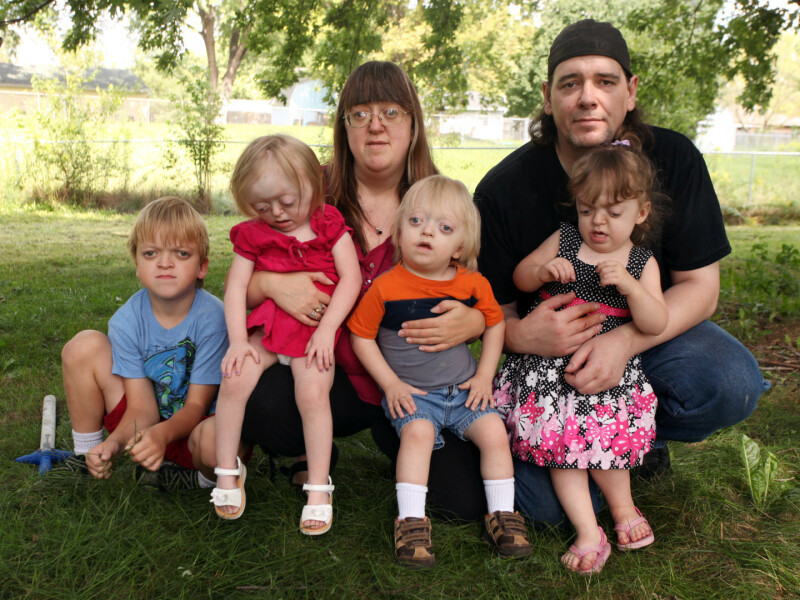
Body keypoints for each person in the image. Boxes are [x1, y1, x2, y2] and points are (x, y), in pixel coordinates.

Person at [474, 19, 768, 525]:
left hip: (649, 337)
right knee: (549, 513)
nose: (588, 98)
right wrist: (524, 335)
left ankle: (632, 437)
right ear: (548, 97)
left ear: (630, 92)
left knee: (730, 380)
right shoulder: (503, 190)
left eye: (605, 81)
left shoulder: (673, 158)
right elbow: (493, 310)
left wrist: (623, 342)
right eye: (570, 83)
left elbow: (701, 288)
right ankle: (603, 457)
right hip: (551, 365)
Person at [238, 61, 488, 522]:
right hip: (326, 370)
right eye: (360, 113)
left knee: (464, 503)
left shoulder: (440, 199)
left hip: (416, 384)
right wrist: (270, 283)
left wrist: (473, 321)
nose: (375, 125)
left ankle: (403, 446)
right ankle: (311, 452)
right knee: (262, 405)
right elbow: (242, 280)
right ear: (344, 126)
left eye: (391, 112)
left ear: (413, 123)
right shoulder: (307, 190)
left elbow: (476, 292)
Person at [495, 141, 665, 574]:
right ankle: (588, 531)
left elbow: (655, 322)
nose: (598, 222)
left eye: (613, 211)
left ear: (641, 212)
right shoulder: (566, 239)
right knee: (562, 451)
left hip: (603, 378)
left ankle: (624, 510)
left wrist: (631, 287)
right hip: (549, 375)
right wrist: (542, 271)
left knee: (605, 445)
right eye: (587, 210)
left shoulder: (640, 262)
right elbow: (520, 277)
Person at [349, 175, 531, 568]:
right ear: (399, 231)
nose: (427, 231)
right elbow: (360, 336)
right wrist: (391, 384)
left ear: (460, 247)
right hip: (415, 395)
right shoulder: (385, 288)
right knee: (417, 434)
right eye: (416, 221)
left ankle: (502, 516)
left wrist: (484, 376)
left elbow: (495, 324)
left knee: (494, 432)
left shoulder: (472, 283)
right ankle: (411, 523)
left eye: (444, 228)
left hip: (464, 391)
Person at [211, 135, 361, 535]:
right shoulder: (252, 235)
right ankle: (227, 471)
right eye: (263, 207)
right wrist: (238, 342)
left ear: (313, 185)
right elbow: (236, 289)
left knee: (312, 394)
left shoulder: (328, 224)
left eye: (287, 202)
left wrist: (327, 331)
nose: (276, 213)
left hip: (313, 333)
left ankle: (319, 487)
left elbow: (351, 279)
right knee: (235, 378)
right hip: (268, 330)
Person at [59, 196, 228, 491]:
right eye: (150, 253)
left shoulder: (214, 318)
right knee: (83, 346)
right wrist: (114, 443)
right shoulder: (126, 320)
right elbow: (141, 407)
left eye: (181, 253)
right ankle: (89, 455)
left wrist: (163, 435)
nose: (164, 263)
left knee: (217, 441)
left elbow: (196, 406)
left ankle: (200, 479)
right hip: (146, 428)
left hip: (197, 431)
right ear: (137, 265)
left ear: (202, 267)